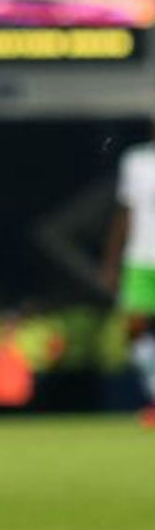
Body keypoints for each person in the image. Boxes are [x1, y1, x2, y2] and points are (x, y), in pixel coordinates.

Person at [103, 122, 155, 412]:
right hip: (141, 257)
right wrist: (112, 262)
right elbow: (124, 212)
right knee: (134, 327)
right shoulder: (137, 161)